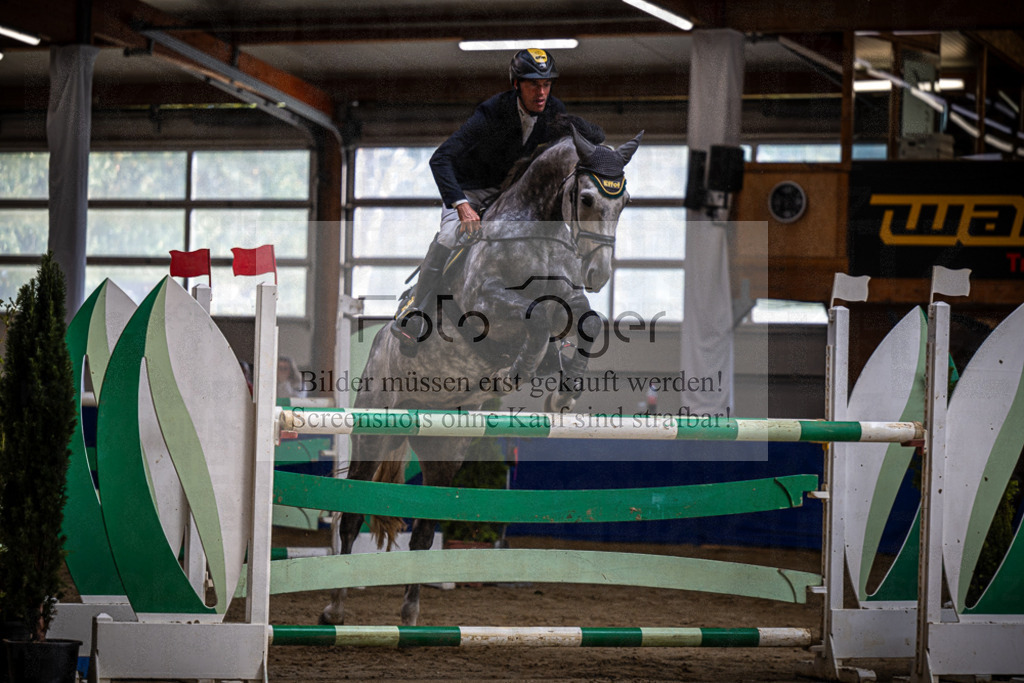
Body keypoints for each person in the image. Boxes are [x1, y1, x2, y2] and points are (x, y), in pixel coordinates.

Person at [390, 48, 603, 350]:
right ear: (516, 84)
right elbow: (440, 159)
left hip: (511, 194)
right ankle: (414, 313)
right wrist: (462, 206)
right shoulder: (491, 112)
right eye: (533, 85)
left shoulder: (555, 109)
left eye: (546, 84)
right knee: (451, 235)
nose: (541, 92)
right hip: (470, 191)